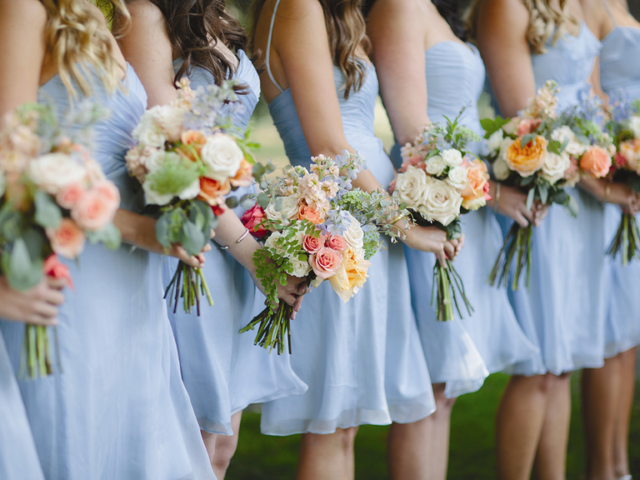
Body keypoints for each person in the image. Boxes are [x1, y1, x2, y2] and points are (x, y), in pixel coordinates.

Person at [0, 1, 215, 478]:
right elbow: (9, 158)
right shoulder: (24, 9)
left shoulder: (100, 16)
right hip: (72, 269)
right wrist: (140, 228)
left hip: (132, 282)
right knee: (74, 437)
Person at [251, 0, 450, 478]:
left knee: (347, 425)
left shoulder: (334, 14)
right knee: (333, 422)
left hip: (366, 220)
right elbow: (328, 145)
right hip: (338, 223)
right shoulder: (295, 6)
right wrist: (404, 227)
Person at [118, 1, 308, 477]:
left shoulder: (217, 16)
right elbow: (170, 152)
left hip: (237, 235)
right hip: (191, 240)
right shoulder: (145, 16)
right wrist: (251, 253)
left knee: (221, 444)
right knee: (189, 443)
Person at [364, 0, 538, 478]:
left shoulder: (437, 11)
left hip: (465, 202)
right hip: (436, 205)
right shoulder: (397, 8)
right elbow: (412, 131)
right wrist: (490, 190)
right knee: (431, 388)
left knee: (448, 388)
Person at [470, 0, 635, 477]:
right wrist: (602, 185)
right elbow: (529, 121)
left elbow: (595, 97)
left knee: (561, 366)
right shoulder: (505, 6)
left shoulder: (570, 7)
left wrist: (621, 159)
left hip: (583, 200)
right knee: (539, 365)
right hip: (542, 198)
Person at [580, 1, 640, 479]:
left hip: (630, 188)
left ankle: (620, 467)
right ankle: (603, 467)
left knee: (628, 336)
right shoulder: (588, 4)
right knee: (609, 331)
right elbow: (588, 90)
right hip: (609, 180)